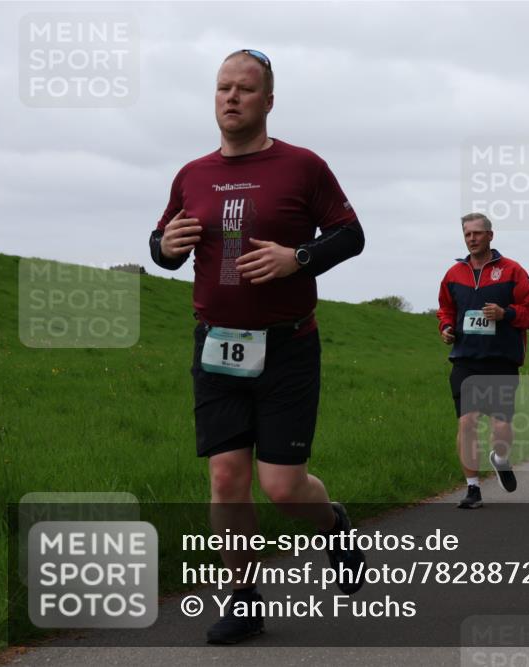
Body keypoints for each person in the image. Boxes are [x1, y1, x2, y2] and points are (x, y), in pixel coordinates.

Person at [149, 50, 366, 644]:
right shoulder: (192, 174)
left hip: (288, 347)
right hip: (215, 346)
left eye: (245, 89)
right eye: (223, 87)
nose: (232, 97)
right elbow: (161, 242)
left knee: (282, 487)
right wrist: (165, 246)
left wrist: (298, 257)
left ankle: (334, 525)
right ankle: (242, 601)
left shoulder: (302, 166)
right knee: (225, 479)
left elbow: (351, 234)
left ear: (268, 101)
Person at [437, 213, 529, 509]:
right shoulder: (453, 274)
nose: (472, 239)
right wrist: (445, 328)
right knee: (467, 422)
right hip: (465, 361)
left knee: (500, 428)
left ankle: (500, 458)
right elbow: (445, 309)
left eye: (478, 233)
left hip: (501, 360)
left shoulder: (512, 271)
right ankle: (472, 489)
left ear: (490, 236)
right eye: (467, 234)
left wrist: (505, 314)